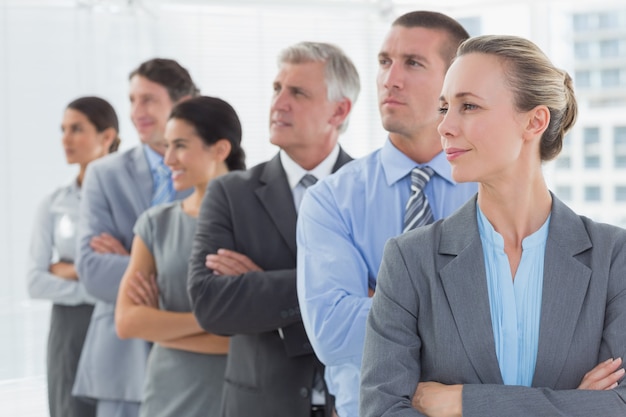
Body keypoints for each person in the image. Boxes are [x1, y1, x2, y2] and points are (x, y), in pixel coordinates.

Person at [360, 34, 626, 417]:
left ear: (534, 121)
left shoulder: (613, 257)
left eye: (468, 106)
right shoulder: (409, 259)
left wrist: (463, 402)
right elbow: (382, 410)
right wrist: (574, 404)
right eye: (444, 107)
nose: (445, 126)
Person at [296, 11, 477, 416]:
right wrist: (463, 303)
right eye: (383, 62)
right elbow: (331, 333)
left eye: (412, 63)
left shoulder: (493, 188)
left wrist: (388, 301)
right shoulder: (329, 200)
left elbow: (521, 319)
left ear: (456, 82)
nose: (389, 79)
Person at [187, 41, 360, 417]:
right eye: (276, 89)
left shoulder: (372, 190)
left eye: (297, 92)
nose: (279, 103)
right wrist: (337, 290)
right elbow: (209, 304)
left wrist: (262, 286)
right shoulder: (230, 192)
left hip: (354, 404)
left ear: (339, 110)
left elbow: (394, 302)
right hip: (261, 406)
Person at [74, 58, 197, 417]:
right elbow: (92, 270)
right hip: (119, 361)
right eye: (132, 100)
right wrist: (175, 269)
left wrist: (130, 258)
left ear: (182, 103)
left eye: (148, 100)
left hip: (193, 357)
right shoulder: (103, 174)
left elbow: (219, 272)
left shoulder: (213, 172)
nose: (136, 112)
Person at [115, 96, 245, 417]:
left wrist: (162, 328)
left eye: (180, 146)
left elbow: (258, 339)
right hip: (167, 397)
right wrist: (219, 324)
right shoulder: (155, 224)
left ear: (220, 149)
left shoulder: (257, 222)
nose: (168, 159)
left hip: (241, 393)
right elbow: (128, 321)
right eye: (166, 146)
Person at [27, 96, 120, 417]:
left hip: (120, 322)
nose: (65, 139)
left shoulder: (129, 198)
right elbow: (36, 281)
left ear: (106, 137)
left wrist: (69, 268)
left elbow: (139, 267)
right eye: (63, 129)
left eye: (76, 129)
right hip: (70, 330)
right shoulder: (53, 204)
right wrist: (96, 277)